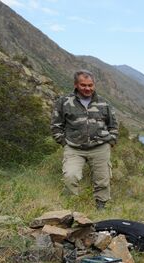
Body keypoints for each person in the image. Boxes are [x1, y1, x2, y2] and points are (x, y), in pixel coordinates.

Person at [51, 70, 118, 210]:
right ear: (76, 85)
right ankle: (71, 208)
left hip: (100, 147)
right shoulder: (64, 102)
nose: (87, 88)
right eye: (83, 85)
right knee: (70, 176)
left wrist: (111, 140)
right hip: (74, 148)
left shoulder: (104, 103)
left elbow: (113, 125)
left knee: (102, 181)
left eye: (90, 85)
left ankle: (101, 208)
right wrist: (64, 142)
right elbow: (56, 125)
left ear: (94, 85)